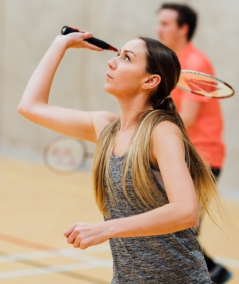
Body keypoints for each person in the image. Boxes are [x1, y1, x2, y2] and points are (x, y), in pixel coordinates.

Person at [18, 30, 219, 283]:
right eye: (118, 55)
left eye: (126, 58)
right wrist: (61, 44)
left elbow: (185, 211)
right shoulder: (106, 127)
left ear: (150, 81)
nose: (111, 62)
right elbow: (30, 106)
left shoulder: (162, 132)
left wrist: (106, 228)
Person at [156, 3, 232, 284]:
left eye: (165, 23)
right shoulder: (169, 62)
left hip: (202, 158)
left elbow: (185, 118)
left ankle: (210, 274)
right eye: (159, 23)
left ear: (183, 28)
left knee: (179, 231)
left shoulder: (197, 64)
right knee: (174, 230)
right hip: (179, 156)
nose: (158, 29)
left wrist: (145, 134)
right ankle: (214, 272)